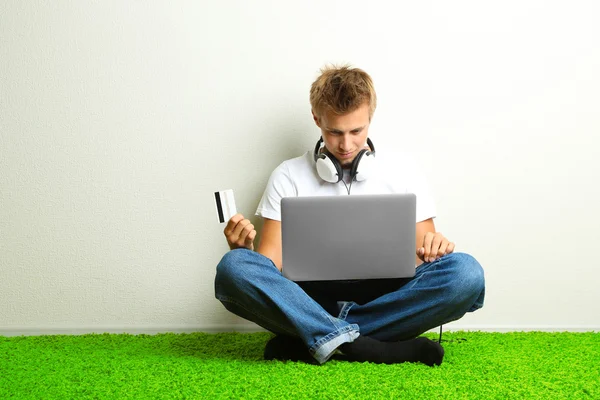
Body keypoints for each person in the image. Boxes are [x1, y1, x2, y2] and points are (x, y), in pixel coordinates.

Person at [215, 64, 485, 366]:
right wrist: (244, 252)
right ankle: (370, 346)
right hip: (310, 301)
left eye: (356, 131)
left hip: (388, 300)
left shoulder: (404, 170)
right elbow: (271, 264)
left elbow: (424, 255)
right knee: (233, 268)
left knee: (466, 273)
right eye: (334, 132)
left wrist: (435, 248)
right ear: (317, 119)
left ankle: (322, 339)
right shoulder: (287, 176)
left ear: (370, 119)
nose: (346, 145)